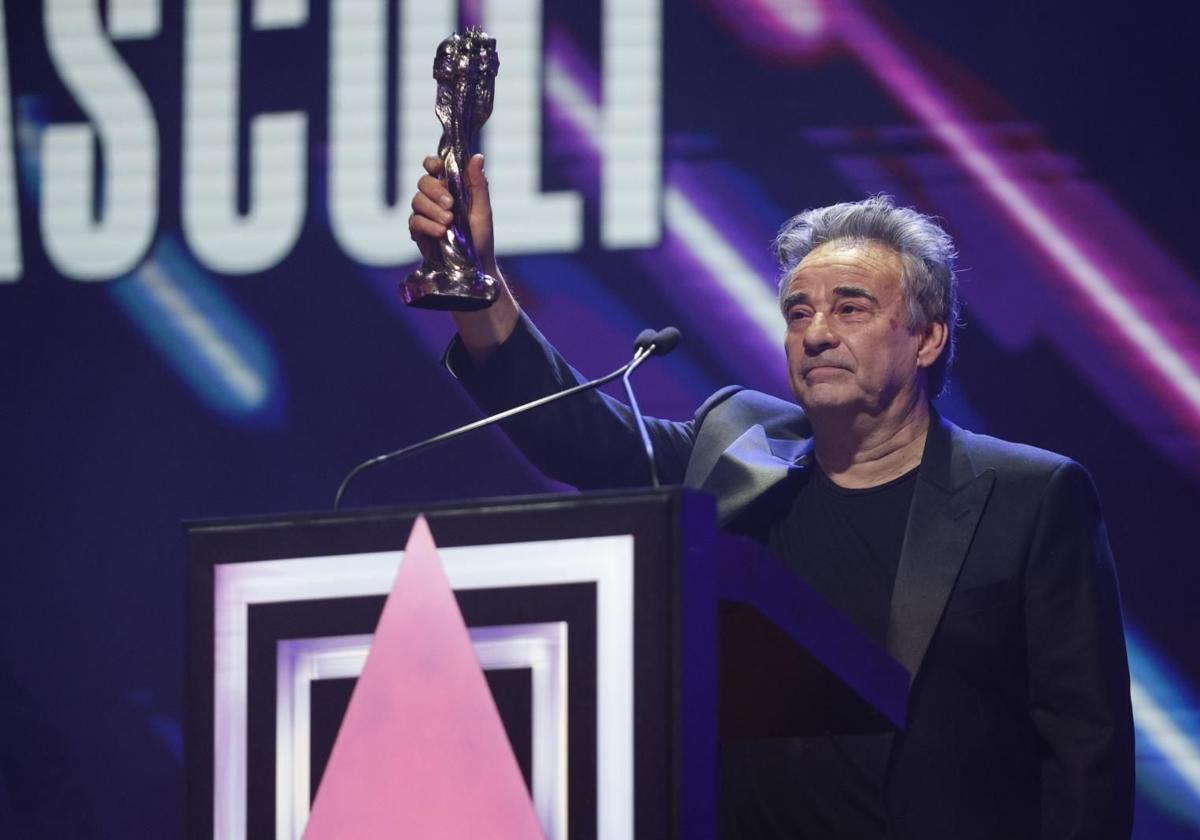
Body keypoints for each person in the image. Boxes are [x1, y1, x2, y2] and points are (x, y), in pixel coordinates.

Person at [408, 154, 1135, 838]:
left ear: (927, 338)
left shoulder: (1029, 496)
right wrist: (477, 283)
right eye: (797, 312)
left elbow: (1085, 753)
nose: (816, 334)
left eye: (850, 309)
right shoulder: (733, 445)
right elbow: (574, 432)